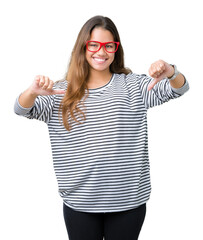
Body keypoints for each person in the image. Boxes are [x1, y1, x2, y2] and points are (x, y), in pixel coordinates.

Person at [14, 15, 189, 240]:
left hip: (128, 202)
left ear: (116, 49)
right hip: (80, 204)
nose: (101, 52)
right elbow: (21, 109)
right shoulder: (59, 92)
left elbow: (179, 89)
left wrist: (171, 72)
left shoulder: (133, 86)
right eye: (94, 45)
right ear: (83, 48)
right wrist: (32, 91)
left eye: (109, 45)